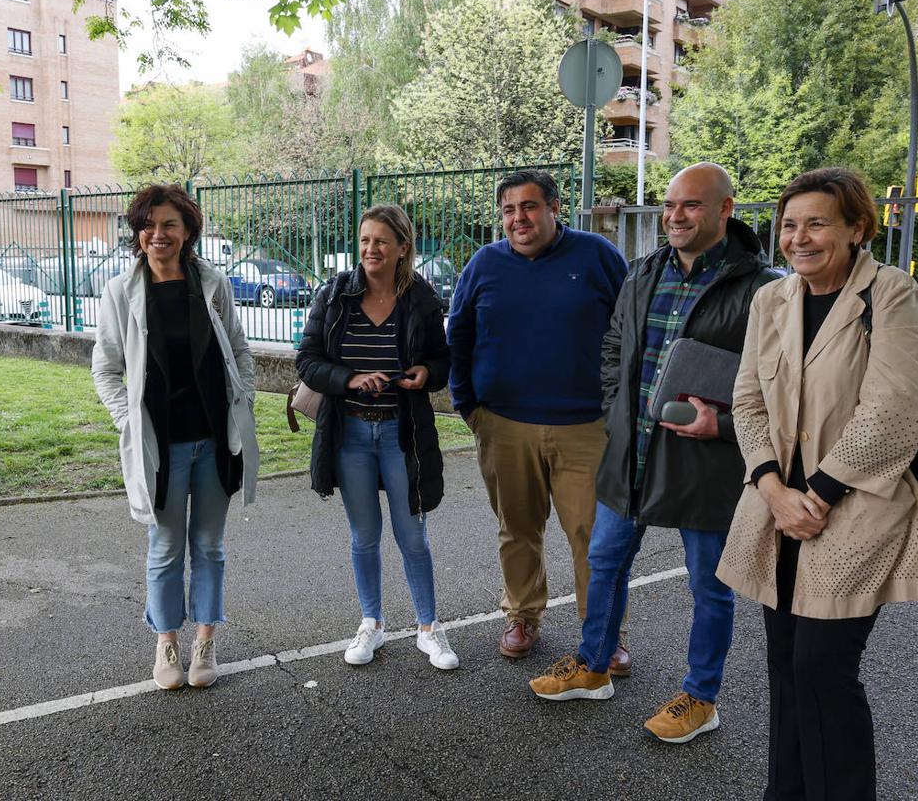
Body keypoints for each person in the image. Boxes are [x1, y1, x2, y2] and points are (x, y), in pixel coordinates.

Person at [529, 163, 779, 744]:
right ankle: (594, 667)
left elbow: (776, 381)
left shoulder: (764, 288)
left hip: (706, 460)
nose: (675, 216)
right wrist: (617, 404)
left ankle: (701, 696)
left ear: (725, 209)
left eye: (691, 205)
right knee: (607, 561)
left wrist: (727, 426)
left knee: (708, 585)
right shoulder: (643, 272)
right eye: (669, 206)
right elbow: (615, 346)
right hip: (632, 452)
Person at [716, 168, 918, 798]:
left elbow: (893, 410)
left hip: (853, 508)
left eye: (817, 223)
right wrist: (774, 489)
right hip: (778, 509)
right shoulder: (769, 300)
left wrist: (818, 494)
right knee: (785, 669)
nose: (799, 237)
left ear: (858, 228)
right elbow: (747, 401)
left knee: (822, 670)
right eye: (789, 224)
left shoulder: (891, 294)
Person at [446, 170, 629, 665]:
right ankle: (522, 615)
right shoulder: (484, 264)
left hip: (587, 427)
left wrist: (621, 408)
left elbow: (629, 332)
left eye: (528, 207)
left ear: (553, 208)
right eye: (508, 210)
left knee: (593, 536)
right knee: (517, 528)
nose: (518, 218)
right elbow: (458, 335)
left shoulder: (597, 256)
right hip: (503, 424)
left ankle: (604, 634)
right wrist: (468, 404)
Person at [93, 184, 258, 691]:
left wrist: (242, 398)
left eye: (169, 225)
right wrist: (129, 421)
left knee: (209, 546)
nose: (157, 234)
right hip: (158, 448)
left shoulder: (211, 283)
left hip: (212, 439)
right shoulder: (122, 291)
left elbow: (239, 350)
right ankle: (166, 641)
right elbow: (106, 371)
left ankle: (205, 639)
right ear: (137, 232)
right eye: (148, 224)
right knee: (164, 549)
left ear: (187, 232)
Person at [296, 204, 459, 670]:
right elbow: (306, 359)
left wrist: (425, 372)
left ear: (402, 248)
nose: (371, 249)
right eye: (365, 240)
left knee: (412, 535)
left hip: (400, 432)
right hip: (349, 434)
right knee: (364, 536)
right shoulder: (335, 294)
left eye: (382, 241)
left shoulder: (422, 299)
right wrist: (349, 379)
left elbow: (442, 363)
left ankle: (429, 628)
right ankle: (372, 624)